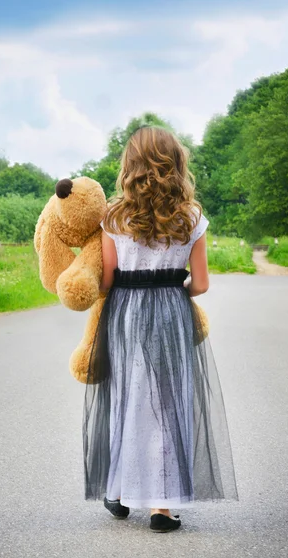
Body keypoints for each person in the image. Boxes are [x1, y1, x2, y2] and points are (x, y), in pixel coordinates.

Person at [83, 126, 238, 533]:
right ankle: (161, 509)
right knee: (168, 405)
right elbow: (201, 284)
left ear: (130, 166)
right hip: (171, 312)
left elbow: (106, 281)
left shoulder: (113, 217)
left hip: (126, 315)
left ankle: (117, 491)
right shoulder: (191, 216)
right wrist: (173, 289)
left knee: (128, 398)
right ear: (176, 164)